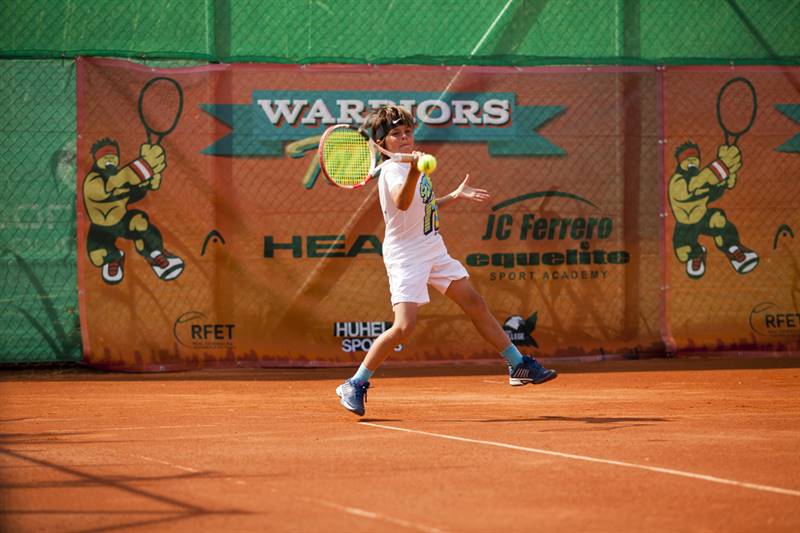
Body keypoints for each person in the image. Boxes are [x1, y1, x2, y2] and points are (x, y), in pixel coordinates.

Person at [336, 105, 557, 416]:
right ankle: (355, 382)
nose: (404, 138)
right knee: (404, 326)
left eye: (408, 132)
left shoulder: (411, 166)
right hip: (406, 254)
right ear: (382, 142)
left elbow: (422, 205)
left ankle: (518, 364)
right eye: (396, 134)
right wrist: (415, 171)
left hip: (432, 247)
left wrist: (454, 195)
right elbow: (402, 203)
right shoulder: (391, 171)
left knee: (474, 302)